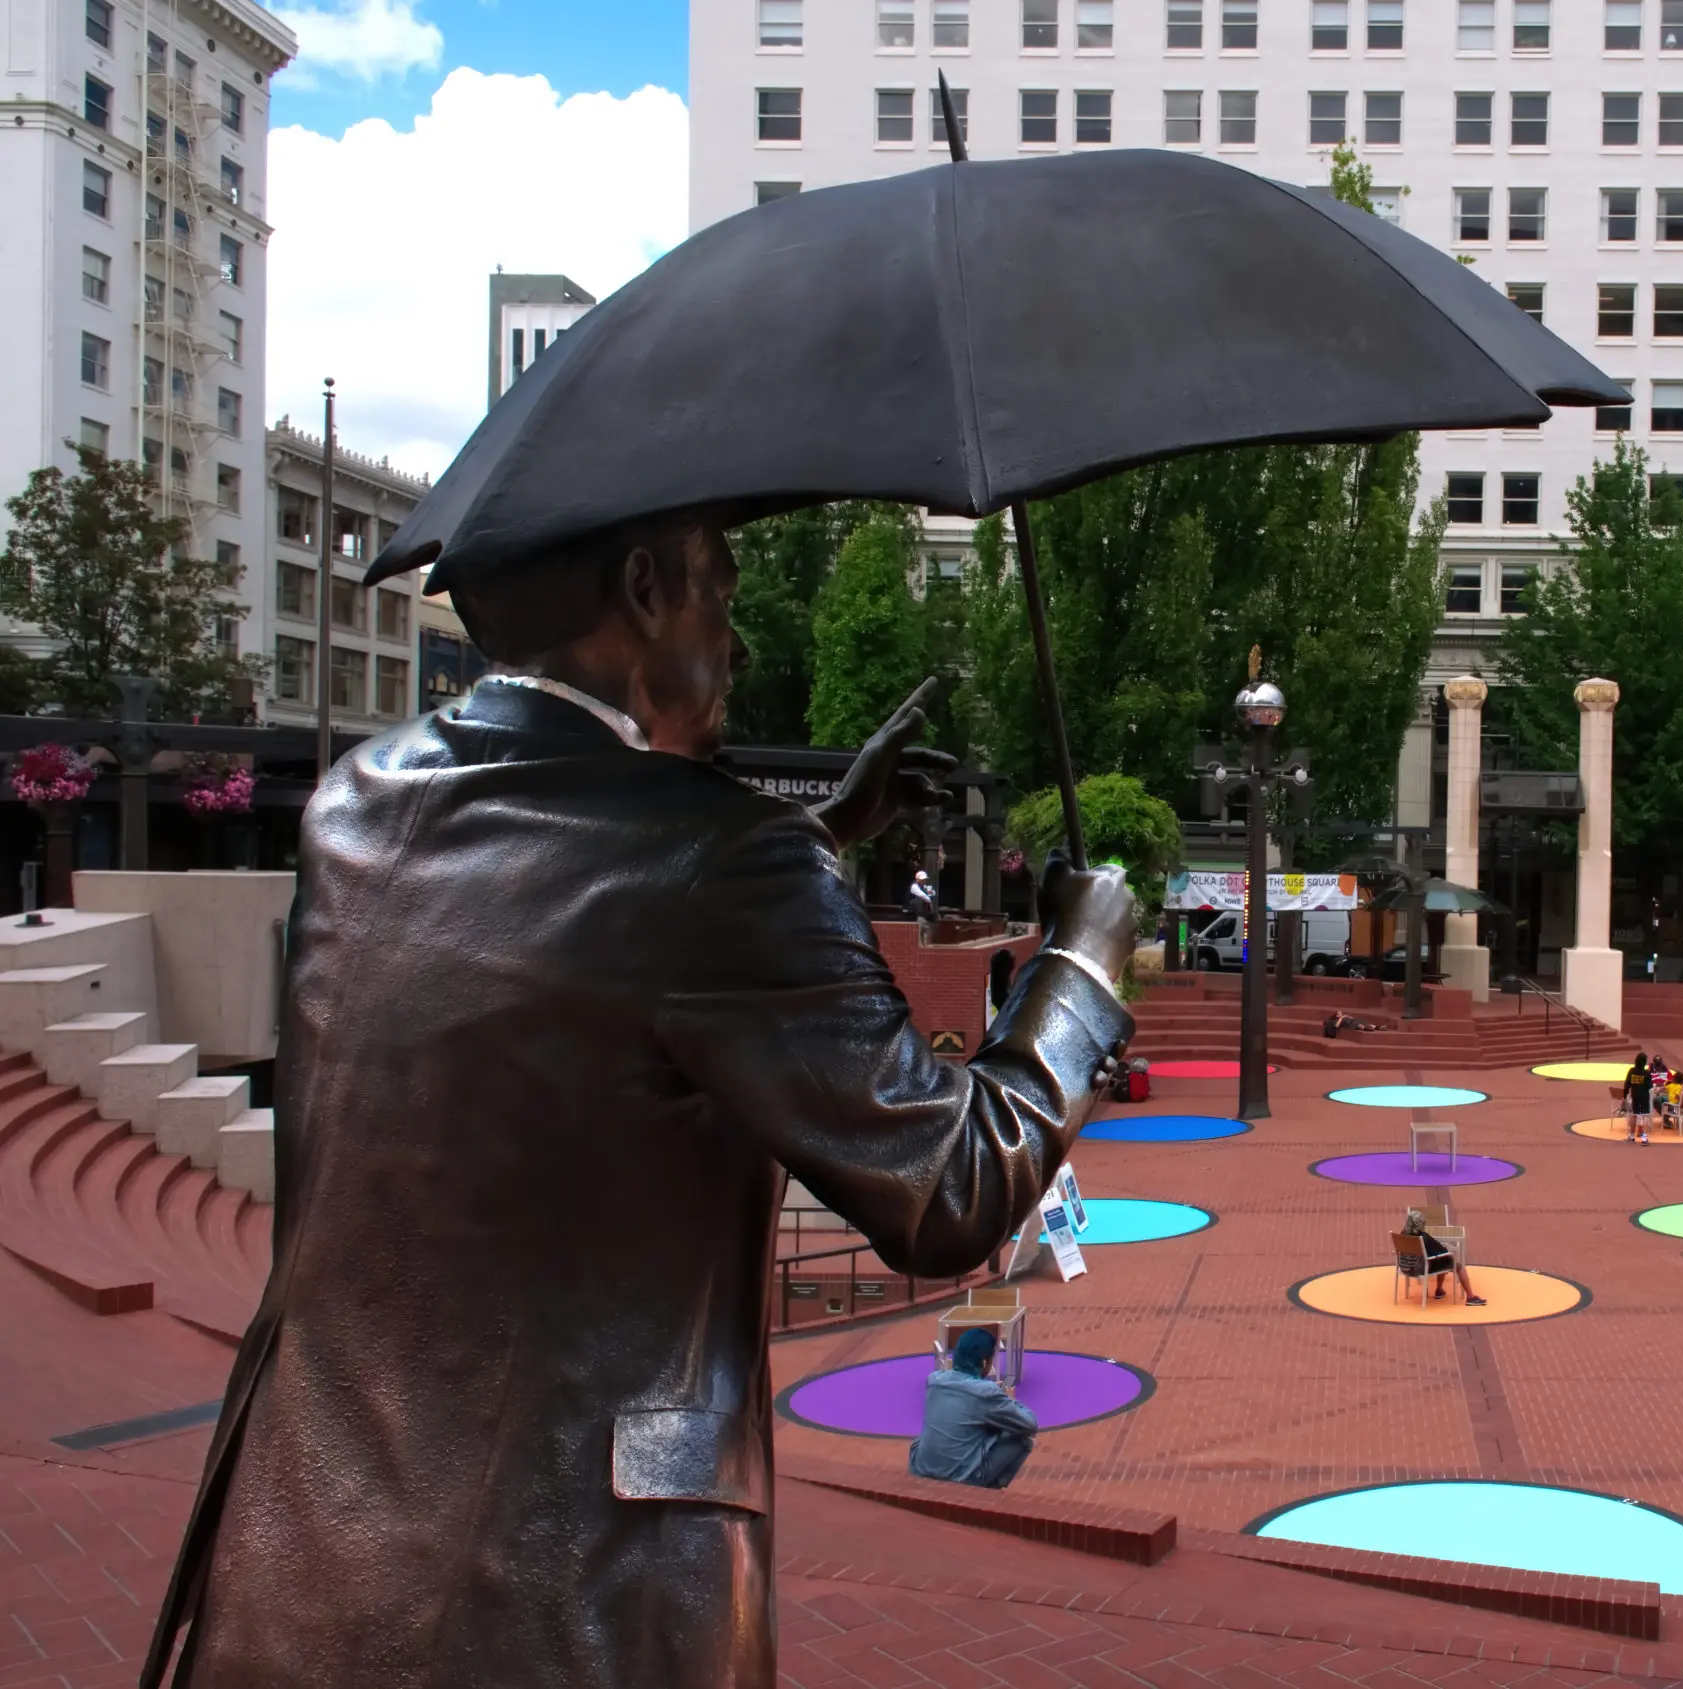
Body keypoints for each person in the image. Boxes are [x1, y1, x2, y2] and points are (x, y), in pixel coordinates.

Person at [143, 512, 1138, 1689]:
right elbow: (952, 1187)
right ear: (645, 589)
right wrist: (1081, 966)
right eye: (721, 594)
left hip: (298, 1563)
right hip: (566, 1607)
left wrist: (819, 830)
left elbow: (563, 940)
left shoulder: (356, 803)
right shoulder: (728, 859)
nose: (738, 646)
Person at [910, 1327, 1038, 1488]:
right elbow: (1029, 1424)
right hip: (959, 1478)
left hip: (920, 1467)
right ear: (984, 1362)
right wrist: (1008, 1399)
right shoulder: (986, 1393)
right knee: (1021, 1437)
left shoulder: (934, 1380)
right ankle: (987, 1490)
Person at [1403, 1209, 1486, 1305]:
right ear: (1420, 1223)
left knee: (1442, 1260)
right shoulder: (1424, 1237)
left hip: (1406, 1267)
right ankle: (1470, 1297)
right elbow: (1443, 1251)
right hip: (1421, 1268)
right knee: (1455, 1264)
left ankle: (1440, 1290)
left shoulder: (1403, 1234)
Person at [1624, 1053, 1651, 1141]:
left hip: (1635, 1096)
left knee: (1634, 1115)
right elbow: (1650, 1086)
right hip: (1644, 1097)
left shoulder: (1631, 1071)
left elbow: (1627, 1084)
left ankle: (1631, 1136)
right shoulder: (1647, 1073)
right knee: (1644, 1115)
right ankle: (1644, 1138)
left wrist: (1625, 1094)